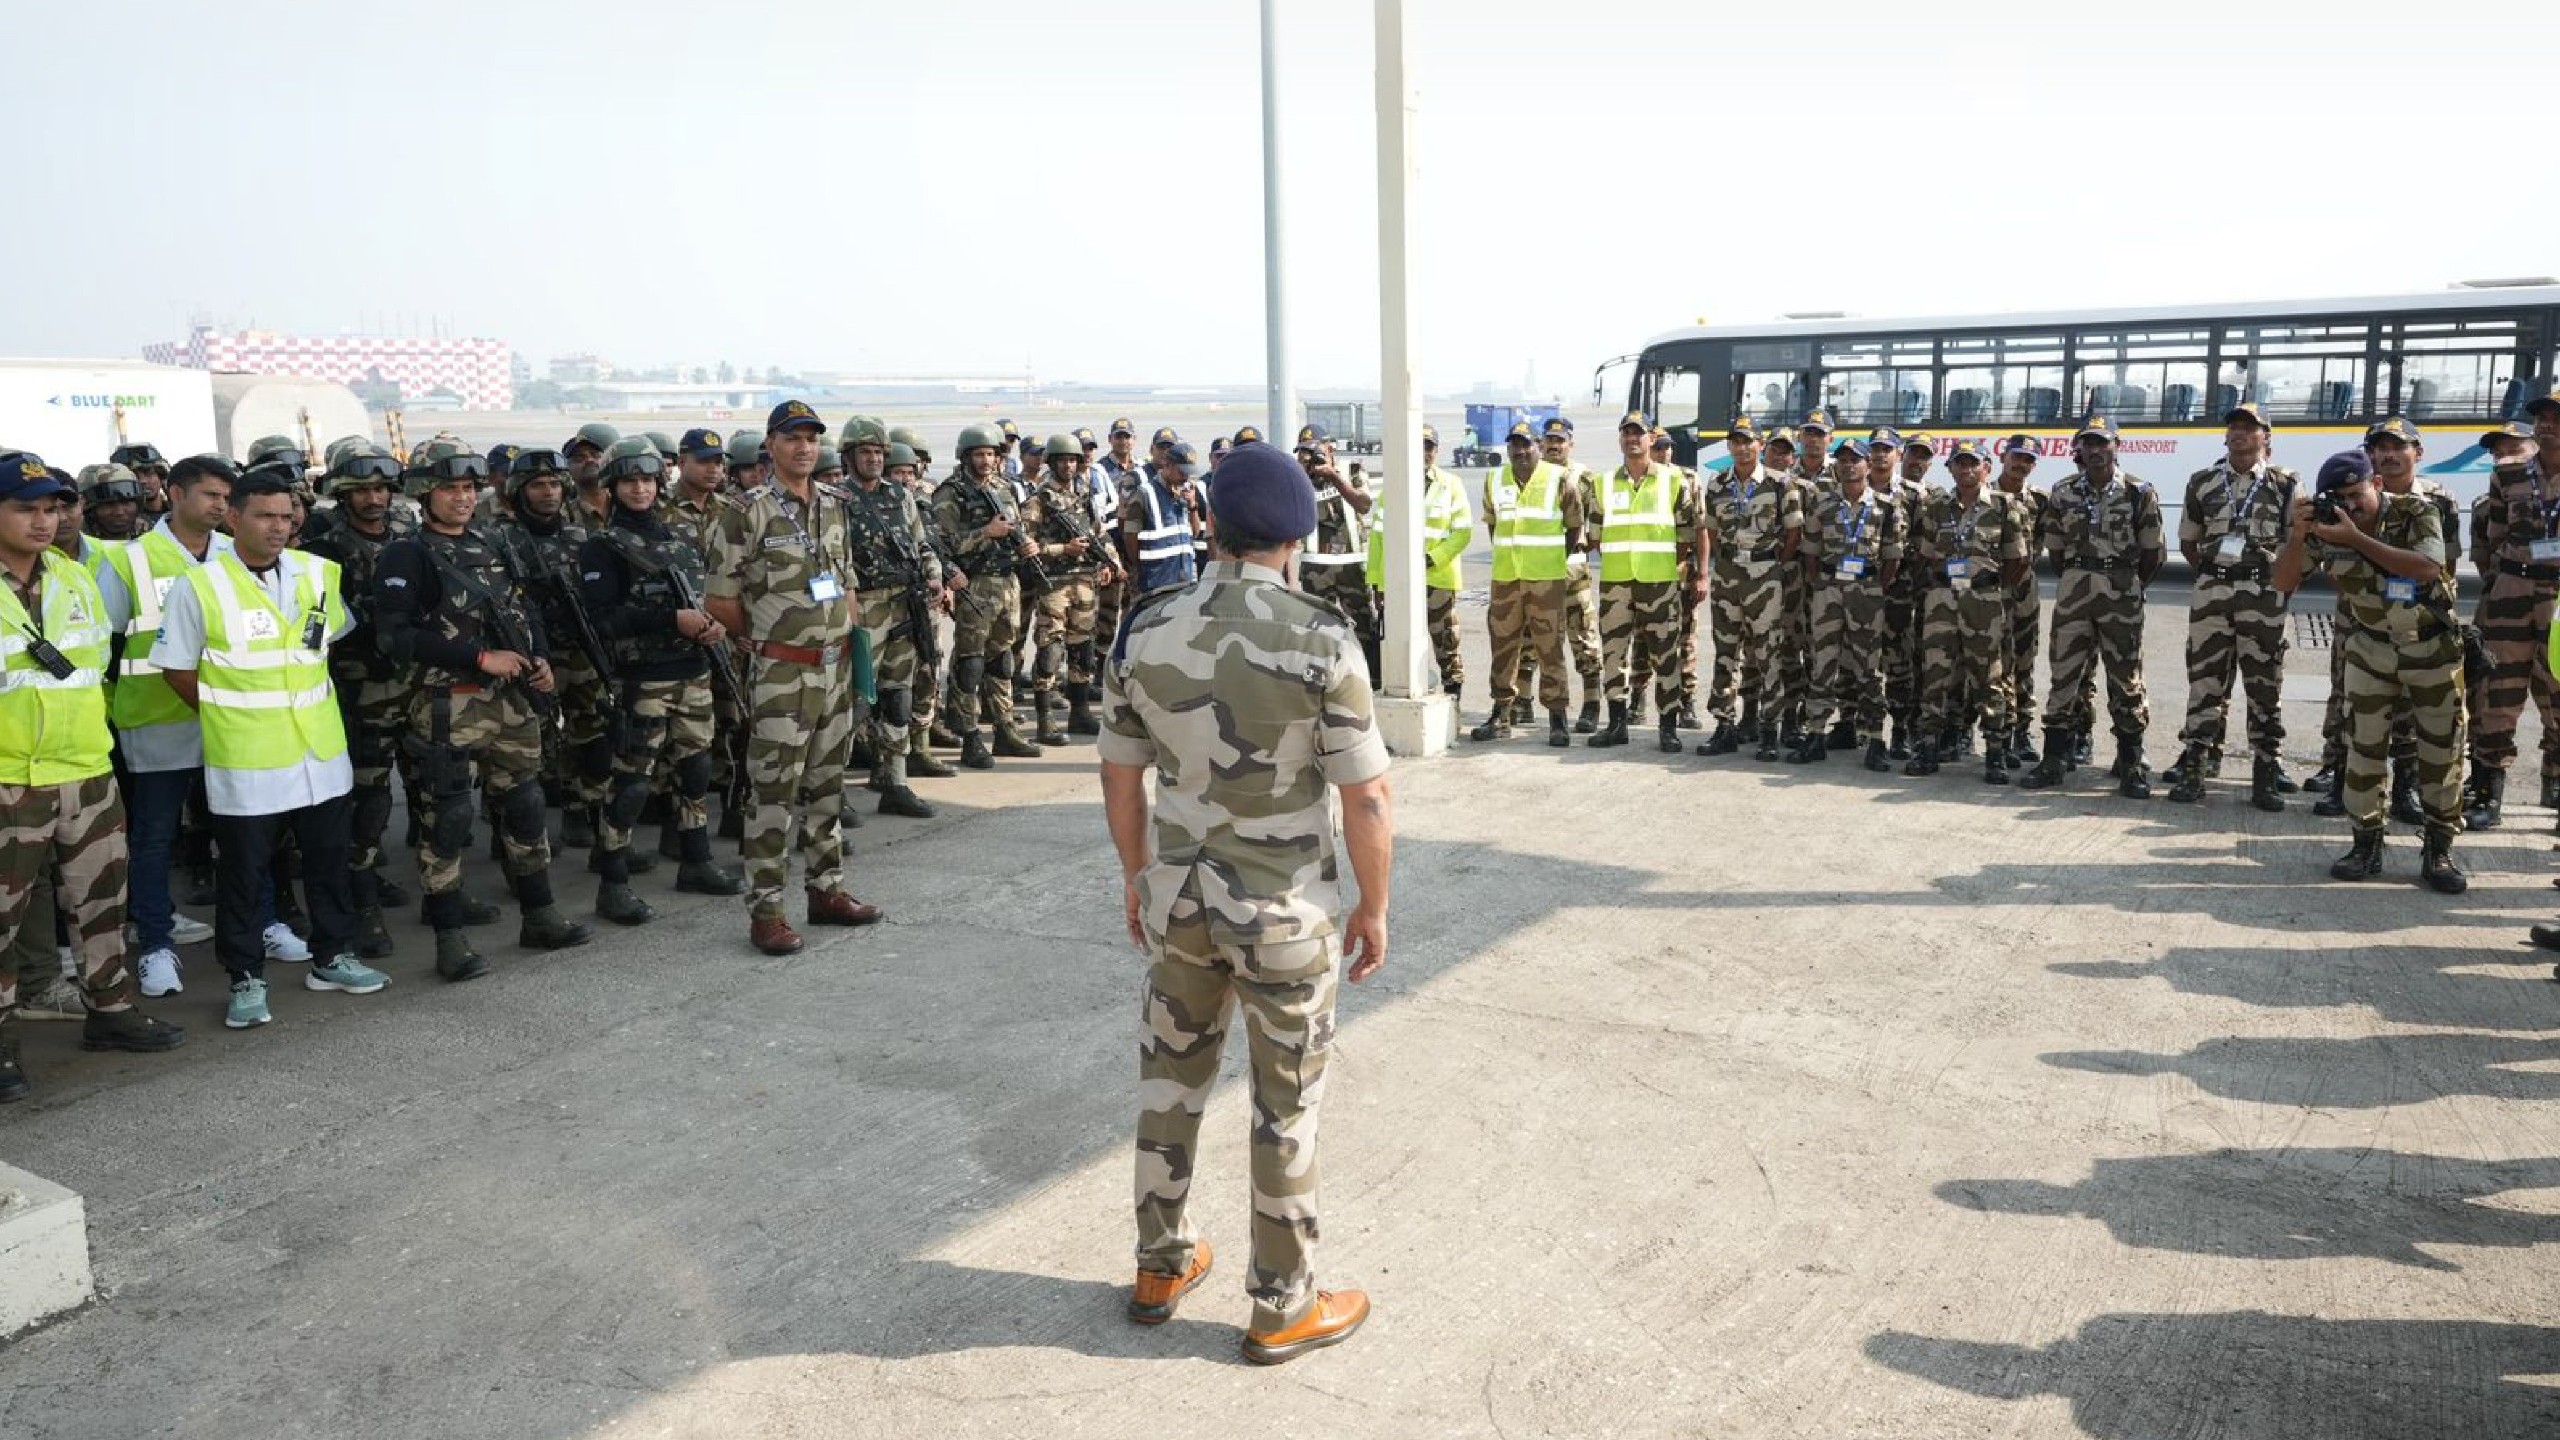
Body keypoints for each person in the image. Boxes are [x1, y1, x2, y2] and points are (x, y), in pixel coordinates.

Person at [1098, 439, 1390, 1365]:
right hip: (1284, 913)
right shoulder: (1320, 634)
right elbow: (1368, 796)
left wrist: (1137, 876)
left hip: (1180, 901)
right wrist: (1371, 909)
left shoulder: (1144, 627)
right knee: (1286, 1106)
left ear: (1207, 524)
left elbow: (1119, 775)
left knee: (1170, 1087)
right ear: (1300, 531)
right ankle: (1282, 1306)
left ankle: (1160, 1265)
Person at [151, 467, 389, 1027]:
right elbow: (177, 670)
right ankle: (245, 976)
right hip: (248, 760)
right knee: (244, 874)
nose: (279, 527)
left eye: (287, 516)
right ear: (233, 518)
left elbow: (319, 646)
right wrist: (232, 717)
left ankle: (332, 956)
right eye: (265, 515)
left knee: (329, 861)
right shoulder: (200, 585)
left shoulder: (317, 573)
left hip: (319, 753)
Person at [0, 453, 187, 1101]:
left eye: (53, 507)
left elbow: (91, 673)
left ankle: (109, 1011)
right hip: (9, 781)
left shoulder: (75, 579)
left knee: (101, 901)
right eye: (27, 507)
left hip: (86, 769)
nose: (45, 520)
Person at [374, 444, 594, 979]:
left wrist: (538, 658)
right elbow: (395, 637)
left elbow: (526, 608)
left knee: (525, 806)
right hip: (448, 705)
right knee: (446, 818)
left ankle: (539, 914)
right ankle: (449, 937)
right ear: (425, 494)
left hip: (512, 702)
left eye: (470, 489)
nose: (463, 498)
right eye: (451, 489)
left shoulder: (492, 542)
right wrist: (477, 657)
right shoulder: (408, 555)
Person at [702, 401, 883, 956]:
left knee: (827, 784)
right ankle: (768, 911)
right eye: (792, 438)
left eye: (811, 438)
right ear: (771, 444)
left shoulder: (834, 504)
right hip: (782, 671)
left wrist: (848, 634)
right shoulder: (743, 511)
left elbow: (844, 579)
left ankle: (826, 890)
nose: (804, 447)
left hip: (833, 666)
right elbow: (720, 599)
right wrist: (762, 642)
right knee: (773, 793)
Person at [2274, 429, 2467, 892]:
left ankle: (2438, 849)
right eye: (2338, 498)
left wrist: (2356, 539)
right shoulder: (2326, 525)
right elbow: (2283, 581)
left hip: (2430, 647)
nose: (2349, 505)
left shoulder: (2417, 512)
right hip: (2370, 648)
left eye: (2355, 494)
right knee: (2364, 750)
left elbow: (2426, 567)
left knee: (2442, 750)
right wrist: (2300, 537)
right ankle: (2366, 843)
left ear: (2375, 484)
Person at [96, 453, 244, 998]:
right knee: (155, 838)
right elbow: (105, 646)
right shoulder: (131, 561)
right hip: (155, 720)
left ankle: (260, 924)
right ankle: (155, 943)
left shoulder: (235, 553)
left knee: (244, 831)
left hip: (231, 717)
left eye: (227, 499)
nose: (221, 507)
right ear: (174, 494)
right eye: (210, 496)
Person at [577, 439, 744, 922]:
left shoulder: (679, 540)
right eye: (630, 481)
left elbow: (703, 598)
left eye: (648, 480)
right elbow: (603, 618)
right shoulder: (601, 548)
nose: (640, 489)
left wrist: (711, 626)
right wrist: (672, 621)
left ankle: (696, 860)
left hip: (693, 672)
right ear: (613, 486)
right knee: (631, 785)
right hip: (641, 682)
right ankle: (613, 881)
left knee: (695, 773)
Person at [294, 444, 415, 958]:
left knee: (435, 793)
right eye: (362, 489)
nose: (373, 498)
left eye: (381, 488)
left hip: (416, 685)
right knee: (367, 804)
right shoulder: (323, 552)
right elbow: (314, 631)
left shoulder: (409, 543)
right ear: (341, 494)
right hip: (357, 692)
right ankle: (360, 904)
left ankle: (441, 893)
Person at [2019, 416, 2165, 797]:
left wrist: (2127, 584)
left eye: (2103, 443)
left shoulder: (2138, 492)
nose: (2096, 450)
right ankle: (2053, 761)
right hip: (2074, 592)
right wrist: (2080, 578)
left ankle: (2131, 765)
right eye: (2089, 443)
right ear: (2079, 449)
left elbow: (2153, 553)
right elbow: (2055, 549)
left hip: (2121, 593)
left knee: (2126, 679)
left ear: (2117, 445)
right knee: (2064, 675)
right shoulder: (2063, 491)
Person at [2167, 402, 2297, 809]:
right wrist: (2218, 573)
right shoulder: (2202, 481)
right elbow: (2189, 542)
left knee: (2264, 685)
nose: (2240, 433)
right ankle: (2195, 768)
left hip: (2263, 595)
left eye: (2250, 427)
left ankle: (2265, 772)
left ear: (2266, 437)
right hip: (2213, 594)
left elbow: (2298, 544)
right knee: (2205, 682)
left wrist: (2274, 584)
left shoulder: (2285, 483)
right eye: (2234, 427)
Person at [840, 418, 957, 817]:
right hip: (864, 607)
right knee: (855, 697)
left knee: (898, 695)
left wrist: (934, 576)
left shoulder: (900, 495)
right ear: (849, 456)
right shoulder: (835, 498)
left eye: (878, 453)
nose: (873, 459)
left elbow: (921, 542)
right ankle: (831, 790)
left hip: (904, 605)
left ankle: (895, 779)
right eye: (865, 453)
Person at [2459, 396, 2560, 829]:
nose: (2547, 426)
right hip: (2511, 593)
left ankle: (2554, 791)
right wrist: (2503, 583)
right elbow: (2493, 536)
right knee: (2496, 693)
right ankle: (2487, 793)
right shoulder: (2509, 473)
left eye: (2556, 420)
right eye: (2541, 419)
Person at [1907, 442, 2029, 780]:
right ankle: (1927, 746)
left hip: (1984, 600)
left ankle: (1995, 751)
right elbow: (1928, 553)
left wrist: (1992, 589)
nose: (1966, 470)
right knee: (1935, 675)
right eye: (1959, 464)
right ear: (1950, 469)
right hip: (1943, 598)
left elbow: (2018, 560)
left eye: (1973, 464)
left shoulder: (2005, 507)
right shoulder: (1937, 506)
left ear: (1987, 468)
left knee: (1988, 677)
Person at [932, 424, 1042, 769]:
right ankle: (968, 735)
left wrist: (1026, 545)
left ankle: (1004, 727)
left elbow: (1016, 527)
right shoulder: (950, 493)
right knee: (970, 663)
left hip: (1007, 582)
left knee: (1002, 661)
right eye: (979, 454)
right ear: (966, 456)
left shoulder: (1005, 488)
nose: (985, 460)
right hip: (974, 585)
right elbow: (941, 544)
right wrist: (985, 533)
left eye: (991, 454)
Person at [1593, 413, 1700, 752]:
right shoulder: (1604, 482)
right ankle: (1616, 724)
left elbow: (1687, 533)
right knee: (1613, 653)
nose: (1631, 439)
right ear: (1620, 439)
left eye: (1638, 433)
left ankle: (1668, 727)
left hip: (1659, 581)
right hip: (1616, 582)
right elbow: (1595, 535)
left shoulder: (1673, 480)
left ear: (1651, 439)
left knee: (1665, 655)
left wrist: (1670, 564)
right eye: (1626, 433)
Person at [1699, 416, 1803, 759]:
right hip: (1728, 575)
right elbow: (1710, 530)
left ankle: (1768, 730)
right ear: (1729, 446)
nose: (1742, 448)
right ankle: (1724, 726)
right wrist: (1721, 562)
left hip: (1764, 575)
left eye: (1748, 441)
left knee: (1768, 653)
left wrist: (1774, 564)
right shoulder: (1717, 484)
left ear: (1761, 445)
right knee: (1725, 652)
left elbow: (1793, 533)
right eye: (1736, 441)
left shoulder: (1779, 484)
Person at [1796, 440, 1901, 768]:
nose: (1848, 465)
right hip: (1828, 589)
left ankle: (1874, 739)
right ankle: (1814, 734)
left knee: (1868, 666)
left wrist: (1872, 585)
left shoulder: (1885, 506)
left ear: (1868, 465)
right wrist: (1822, 582)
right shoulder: (1822, 503)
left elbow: (1892, 557)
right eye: (1842, 460)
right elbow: (1810, 551)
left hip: (1866, 592)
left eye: (1855, 460)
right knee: (1823, 662)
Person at [1477, 423, 1579, 742]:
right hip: (1506, 579)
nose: (1520, 451)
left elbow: (1574, 528)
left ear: (1538, 445)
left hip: (1546, 580)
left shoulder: (1558, 479)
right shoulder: (1494, 478)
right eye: (1514, 446)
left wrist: (1551, 559)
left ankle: (1558, 717)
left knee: (1550, 648)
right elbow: (1493, 525)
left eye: (1526, 445)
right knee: (1503, 647)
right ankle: (1501, 714)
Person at [1363, 423, 1474, 708]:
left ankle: (1454, 698)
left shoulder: (1451, 485)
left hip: (1437, 577)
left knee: (1445, 641)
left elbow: (1462, 532)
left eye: (1428, 447)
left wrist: (1430, 558)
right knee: (1398, 643)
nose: (1423, 453)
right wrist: (1377, 582)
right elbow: (1377, 538)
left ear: (1435, 451)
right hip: (1398, 581)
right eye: (1418, 447)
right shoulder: (1394, 486)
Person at [1025, 434, 1119, 743]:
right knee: (1050, 649)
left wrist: (1109, 561)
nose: (1068, 465)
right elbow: (1027, 547)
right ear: (1051, 462)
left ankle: (1080, 713)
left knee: (1083, 649)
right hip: (1055, 584)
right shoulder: (1039, 500)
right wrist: (1062, 549)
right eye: (1063, 460)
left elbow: (1099, 532)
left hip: (1085, 582)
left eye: (1073, 460)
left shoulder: (1085, 495)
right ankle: (1045, 720)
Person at [1295, 424, 1377, 682]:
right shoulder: (1300, 478)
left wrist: (1334, 476)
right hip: (1314, 566)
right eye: (1303, 453)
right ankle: (1322, 680)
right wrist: (1302, 476)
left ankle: (1371, 678)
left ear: (1330, 449)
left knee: (1364, 628)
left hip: (1351, 566)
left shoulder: (1351, 471)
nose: (1308, 458)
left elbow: (1363, 505)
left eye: (1314, 452)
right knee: (1316, 631)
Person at [1992, 434, 2047, 762]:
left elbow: (2045, 540)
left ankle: (2021, 733)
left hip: (2024, 590)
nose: (2021, 464)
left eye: (2028, 459)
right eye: (2017, 456)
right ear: (2004, 456)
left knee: (2024, 661)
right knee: (1988, 662)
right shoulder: (1985, 495)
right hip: (1988, 589)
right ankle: (1978, 729)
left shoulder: (2040, 500)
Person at [1118, 438, 1204, 597]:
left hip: (1185, 580)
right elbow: (1130, 536)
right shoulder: (1144, 494)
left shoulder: (1185, 493)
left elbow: (1195, 533)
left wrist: (1192, 506)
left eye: (1188, 472)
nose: (1186, 476)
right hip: (1156, 582)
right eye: (1182, 471)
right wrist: (1142, 567)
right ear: (1167, 465)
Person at [79, 463, 144, 543]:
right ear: (90, 511)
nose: (119, 512)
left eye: (126, 502)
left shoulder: (150, 535)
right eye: (108, 504)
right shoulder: (76, 545)